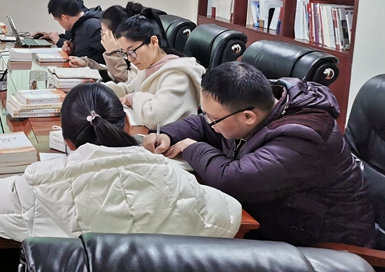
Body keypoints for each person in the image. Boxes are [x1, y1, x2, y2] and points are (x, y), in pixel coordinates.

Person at [144, 62, 376, 248]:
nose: (209, 122)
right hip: (272, 224)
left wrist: (191, 147)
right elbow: (204, 125)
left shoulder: (304, 136)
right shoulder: (259, 106)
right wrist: (168, 135)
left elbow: (232, 179)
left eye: (214, 119)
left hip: (321, 249)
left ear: (248, 117)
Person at [0, 83, 241, 242]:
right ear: (127, 123)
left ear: (67, 141)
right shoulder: (173, 178)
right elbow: (229, 215)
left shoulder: (39, 183)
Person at [104, 5, 204, 129]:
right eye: (125, 53)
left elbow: (155, 117)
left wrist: (134, 98)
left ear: (153, 42)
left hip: (172, 139)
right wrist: (98, 90)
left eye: (132, 51)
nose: (130, 59)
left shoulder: (178, 75)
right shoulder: (148, 66)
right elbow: (128, 89)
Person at [69, 4, 137, 84]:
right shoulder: (120, 50)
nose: (102, 38)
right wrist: (87, 64)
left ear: (116, 34)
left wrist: (113, 53)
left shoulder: (135, 51)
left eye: (103, 33)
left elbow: (127, 83)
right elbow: (110, 73)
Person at [34, 0, 102, 47]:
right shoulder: (77, 16)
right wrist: (51, 36)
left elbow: (80, 46)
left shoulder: (87, 23)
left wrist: (59, 41)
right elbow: (71, 39)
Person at [46, 0, 105, 64]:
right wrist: (72, 50)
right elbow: (88, 52)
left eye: (57, 20)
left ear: (64, 18)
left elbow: (106, 61)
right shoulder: (79, 25)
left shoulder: (93, 27)